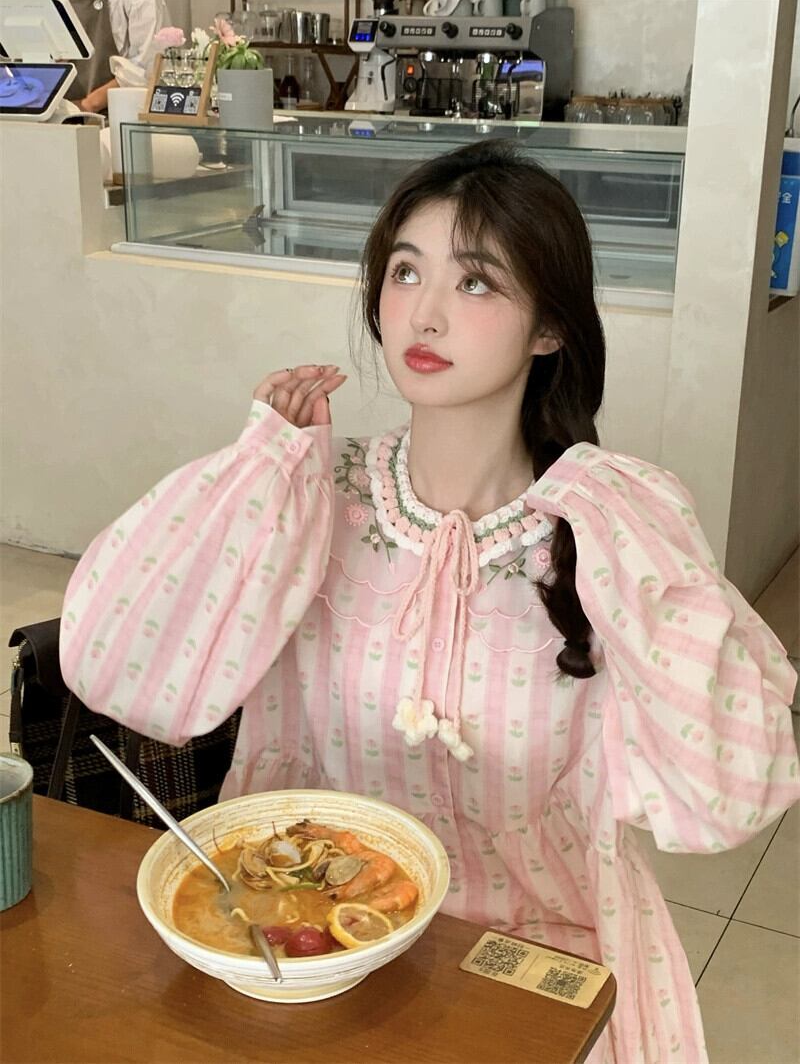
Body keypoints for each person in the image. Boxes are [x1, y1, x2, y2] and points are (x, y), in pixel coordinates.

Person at [60, 140, 800, 1063]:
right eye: (405, 271)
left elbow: (732, 791)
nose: (426, 312)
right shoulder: (313, 491)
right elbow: (117, 672)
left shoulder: (603, 525)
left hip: (538, 956)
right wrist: (256, 479)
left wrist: (639, 543)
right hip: (308, 948)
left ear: (550, 328)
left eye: (476, 282)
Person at [65, 0, 169, 114]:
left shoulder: (140, 1)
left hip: (118, 114)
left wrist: (87, 105)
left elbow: (144, 70)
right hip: (59, 111)